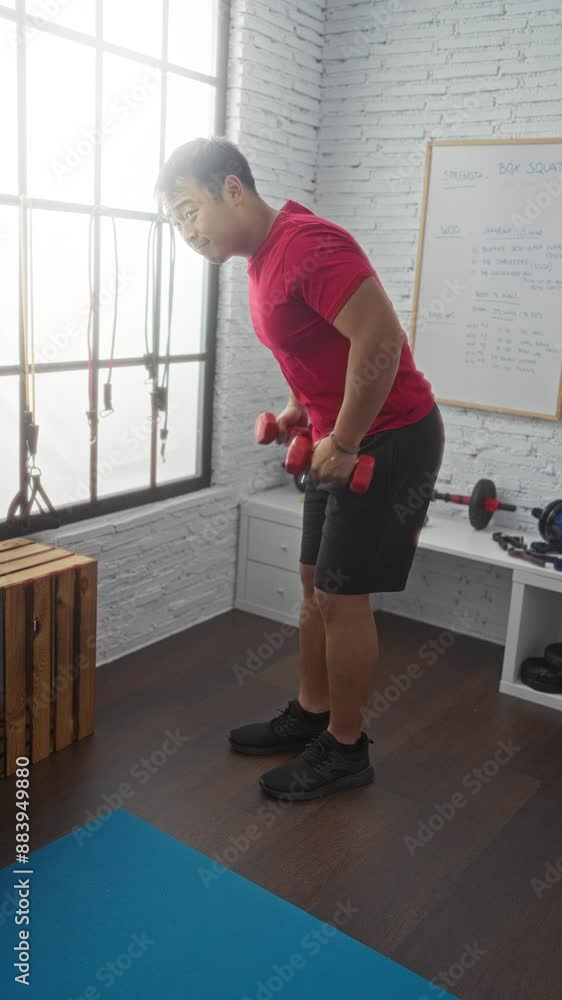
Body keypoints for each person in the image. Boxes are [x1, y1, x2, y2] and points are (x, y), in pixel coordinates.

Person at [156, 136, 445, 803]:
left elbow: (379, 339)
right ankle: (312, 711)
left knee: (343, 596)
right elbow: (318, 344)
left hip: (389, 435)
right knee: (314, 579)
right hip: (335, 432)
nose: (187, 232)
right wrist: (297, 408)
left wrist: (344, 440)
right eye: (176, 221)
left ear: (232, 188)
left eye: (188, 210)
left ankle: (346, 748)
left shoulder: (309, 245)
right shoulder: (259, 258)